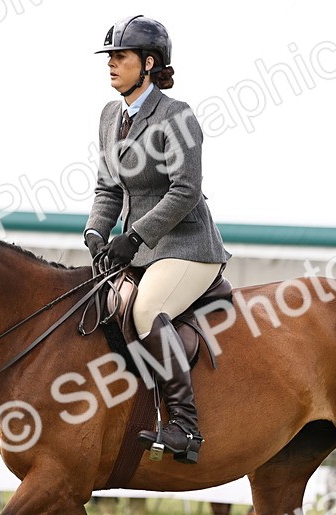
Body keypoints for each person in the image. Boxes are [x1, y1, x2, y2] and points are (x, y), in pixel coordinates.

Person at [83, 15, 231, 466]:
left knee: (146, 308)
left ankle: (185, 425)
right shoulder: (111, 115)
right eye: (109, 56)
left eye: (120, 56)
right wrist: (95, 231)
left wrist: (133, 236)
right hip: (140, 248)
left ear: (148, 63)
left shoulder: (176, 116)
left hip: (187, 247)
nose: (111, 64)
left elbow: (184, 192)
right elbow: (108, 188)